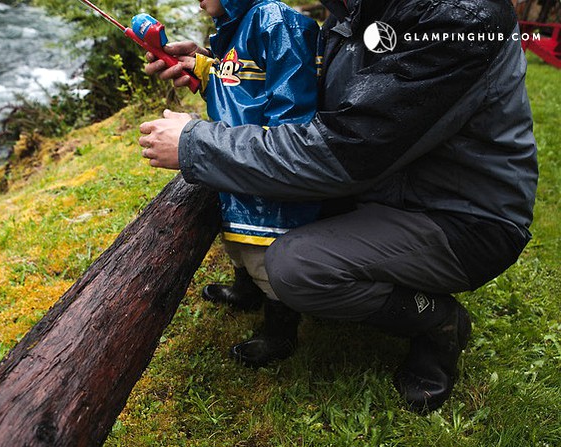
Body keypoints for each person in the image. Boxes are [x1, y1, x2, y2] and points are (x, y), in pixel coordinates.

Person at [139, 0, 538, 414]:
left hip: (463, 216)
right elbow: (318, 101)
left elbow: (346, 150)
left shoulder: (458, 16)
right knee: (270, 215)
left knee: (296, 267)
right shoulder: (350, 12)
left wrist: (194, 144)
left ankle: (437, 321)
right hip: (385, 187)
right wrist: (216, 70)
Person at [183, 0, 322, 369]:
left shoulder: (274, 23)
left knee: (265, 254)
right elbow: (238, 83)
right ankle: (246, 291)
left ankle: (280, 330)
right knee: (238, 244)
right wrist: (201, 69)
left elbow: (291, 113)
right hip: (237, 162)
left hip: (264, 170)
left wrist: (268, 152)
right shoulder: (233, 29)